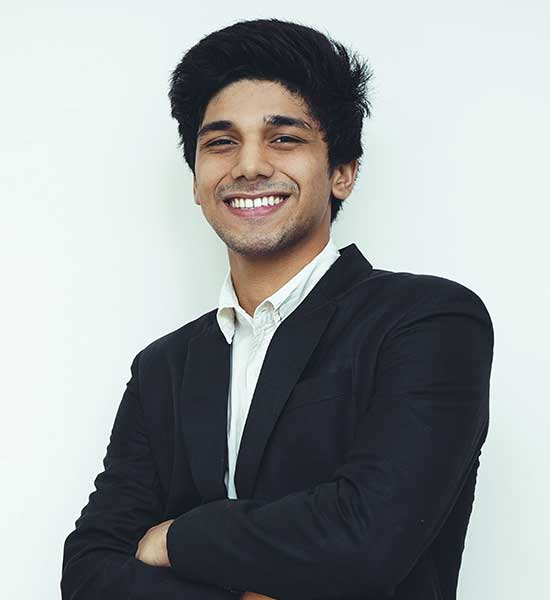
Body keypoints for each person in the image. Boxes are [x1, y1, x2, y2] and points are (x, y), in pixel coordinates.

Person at [61, 18, 494, 600]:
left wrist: (176, 538)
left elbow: (368, 541)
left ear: (343, 173)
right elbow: (89, 571)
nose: (249, 166)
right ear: (196, 181)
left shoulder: (427, 322)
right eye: (221, 142)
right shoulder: (162, 368)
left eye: (284, 139)